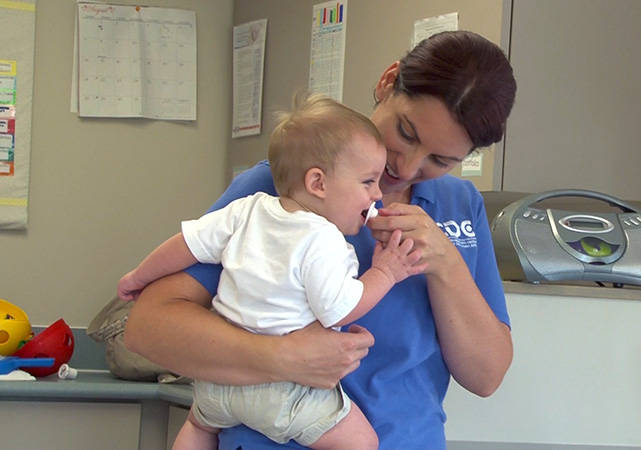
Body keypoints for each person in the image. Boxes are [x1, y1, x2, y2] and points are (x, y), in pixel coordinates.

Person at [124, 30, 517, 449]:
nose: (406, 166)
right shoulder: (286, 188)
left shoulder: (459, 204)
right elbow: (148, 328)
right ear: (388, 82)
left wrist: (444, 260)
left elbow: (486, 376)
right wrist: (284, 358)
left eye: (441, 160)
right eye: (406, 132)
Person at [118, 94, 427, 449]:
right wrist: (386, 272)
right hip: (284, 393)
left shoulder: (246, 210)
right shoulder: (324, 239)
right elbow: (339, 309)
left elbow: (186, 243)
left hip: (220, 385)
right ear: (318, 184)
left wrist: (138, 276)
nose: (377, 196)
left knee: (199, 426)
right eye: (368, 182)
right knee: (362, 442)